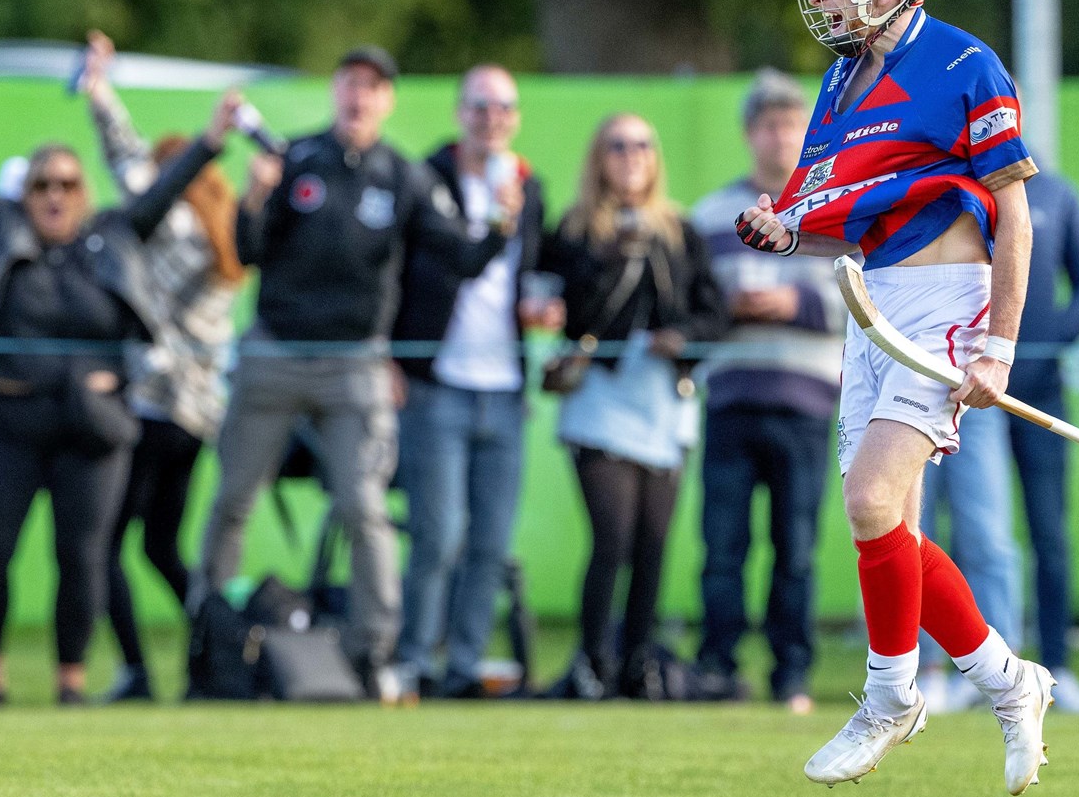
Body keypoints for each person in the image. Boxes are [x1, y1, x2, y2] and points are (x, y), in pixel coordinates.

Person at [737, 0, 1055, 794]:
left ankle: (891, 698)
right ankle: (1007, 681)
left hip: (950, 305)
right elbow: (826, 212)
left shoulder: (963, 62)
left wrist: (999, 348)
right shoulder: (840, 83)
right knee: (889, 529)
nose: (822, 2)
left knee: (871, 498)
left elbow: (1015, 214)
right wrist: (782, 226)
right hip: (871, 304)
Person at [192, 46, 522, 698]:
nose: (359, 97)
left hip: (354, 363)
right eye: (350, 84)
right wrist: (254, 199)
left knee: (362, 508)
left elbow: (461, 256)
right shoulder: (296, 159)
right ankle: (214, 641)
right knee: (234, 498)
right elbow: (251, 251)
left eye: (373, 88)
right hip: (276, 353)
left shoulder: (402, 175)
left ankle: (373, 655)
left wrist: (503, 220)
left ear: (387, 100)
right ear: (336, 91)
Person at [0, 79, 238, 706]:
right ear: (25, 195)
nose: (54, 196)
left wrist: (211, 141)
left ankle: (71, 683)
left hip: (92, 426)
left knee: (82, 557)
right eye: (41, 185)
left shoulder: (113, 234)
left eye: (66, 184)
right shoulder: (1, 230)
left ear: (83, 194)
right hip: (12, 418)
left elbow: (163, 193)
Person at [76, 32, 249, 703]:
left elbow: (127, 166)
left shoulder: (175, 231)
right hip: (199, 417)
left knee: (107, 544)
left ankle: (137, 670)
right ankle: (218, 646)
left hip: (152, 405)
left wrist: (99, 93)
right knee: (161, 549)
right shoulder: (227, 241)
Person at [544, 113, 726, 700]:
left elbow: (712, 314)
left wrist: (682, 339)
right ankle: (593, 659)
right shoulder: (575, 231)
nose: (630, 156)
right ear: (599, 157)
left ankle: (638, 662)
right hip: (600, 399)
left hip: (663, 399)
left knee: (653, 542)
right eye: (617, 146)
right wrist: (613, 259)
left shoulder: (679, 230)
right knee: (612, 536)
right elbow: (567, 315)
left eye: (642, 145)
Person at [390, 65, 549, 699]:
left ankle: (462, 666)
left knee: (489, 541)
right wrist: (394, 358)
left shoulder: (529, 186)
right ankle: (411, 662)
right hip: (439, 382)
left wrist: (543, 309)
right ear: (461, 112)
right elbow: (408, 271)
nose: (492, 118)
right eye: (480, 106)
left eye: (504, 107)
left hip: (505, 386)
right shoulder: (427, 178)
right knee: (437, 536)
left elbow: (533, 273)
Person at [689, 69, 842, 711]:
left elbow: (862, 305)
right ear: (749, 134)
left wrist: (792, 301)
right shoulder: (705, 215)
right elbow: (691, 307)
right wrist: (733, 309)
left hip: (806, 403)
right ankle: (718, 669)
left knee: (798, 549)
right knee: (721, 548)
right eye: (768, 125)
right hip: (729, 399)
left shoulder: (837, 210)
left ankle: (792, 676)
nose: (780, 137)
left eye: (791, 124)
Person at [1004, 165, 1079, 713]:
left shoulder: (1056, 192)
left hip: (1042, 393)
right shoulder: (960, 179)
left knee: (1049, 534)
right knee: (982, 536)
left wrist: (1053, 339)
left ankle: (1056, 667)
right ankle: (987, 671)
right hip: (971, 394)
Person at [916, 407, 1021, 714]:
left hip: (974, 403)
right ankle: (924, 670)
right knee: (912, 537)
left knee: (988, 540)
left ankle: (1004, 675)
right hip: (907, 397)